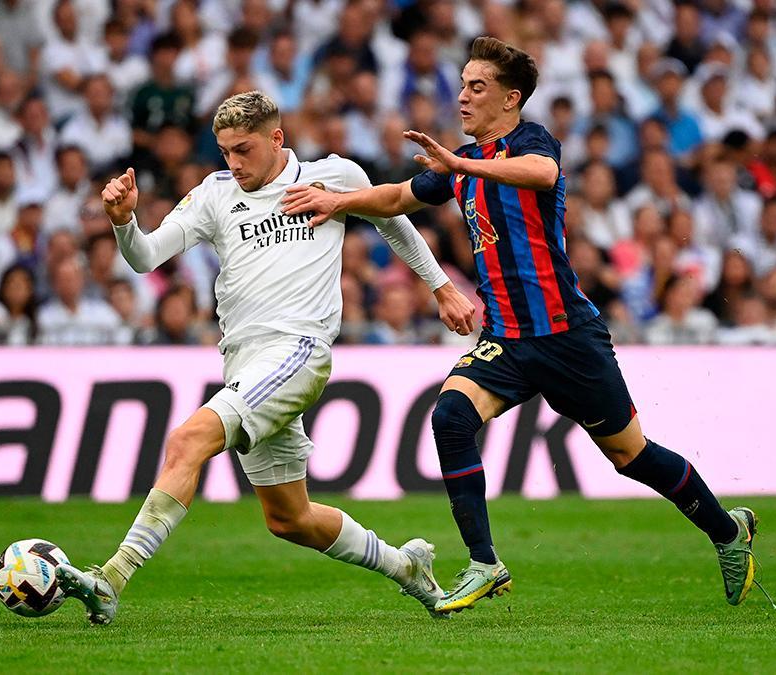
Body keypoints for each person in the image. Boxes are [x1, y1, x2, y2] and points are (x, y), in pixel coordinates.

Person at [284, 37, 762, 614]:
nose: (462, 96)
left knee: (631, 456)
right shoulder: (460, 166)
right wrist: (338, 202)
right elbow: (398, 196)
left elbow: (542, 172)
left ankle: (727, 531)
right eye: (461, 85)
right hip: (507, 339)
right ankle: (485, 563)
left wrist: (461, 162)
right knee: (451, 417)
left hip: (567, 337)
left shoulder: (529, 142)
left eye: (477, 87)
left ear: (511, 99)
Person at [54, 91, 477, 625]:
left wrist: (442, 289)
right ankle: (406, 568)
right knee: (290, 518)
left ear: (277, 138)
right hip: (244, 361)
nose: (233, 163)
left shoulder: (335, 176)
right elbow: (145, 257)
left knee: (187, 440)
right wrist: (123, 221)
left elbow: (393, 219)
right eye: (225, 151)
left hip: (299, 349)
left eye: (243, 149)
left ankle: (111, 579)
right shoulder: (214, 194)